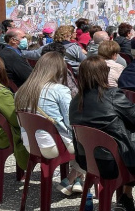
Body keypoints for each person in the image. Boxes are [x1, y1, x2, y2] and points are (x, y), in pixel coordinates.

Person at [70, 56, 135, 211]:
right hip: (115, 162)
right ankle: (127, 195)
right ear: (104, 74)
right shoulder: (112, 95)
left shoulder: (75, 100)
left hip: (87, 160)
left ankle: (126, 196)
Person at [14, 52, 85, 195]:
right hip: (53, 144)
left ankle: (78, 179)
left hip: (30, 143)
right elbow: (70, 121)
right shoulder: (59, 90)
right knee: (89, 142)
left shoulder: (21, 90)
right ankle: (72, 178)